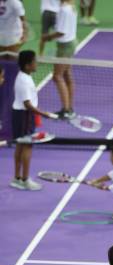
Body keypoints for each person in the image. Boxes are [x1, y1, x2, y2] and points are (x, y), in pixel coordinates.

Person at [10, 50, 55, 191]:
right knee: (27, 146)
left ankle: (17, 178)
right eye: (35, 61)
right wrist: (44, 113)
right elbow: (28, 105)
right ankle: (25, 180)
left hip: (21, 115)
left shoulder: (24, 76)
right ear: (28, 65)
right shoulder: (23, 81)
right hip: (24, 116)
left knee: (19, 145)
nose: (37, 63)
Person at [41, 0, 77, 120]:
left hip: (65, 47)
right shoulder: (71, 7)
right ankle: (69, 108)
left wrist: (48, 37)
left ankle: (66, 110)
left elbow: (61, 32)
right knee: (66, 75)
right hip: (70, 43)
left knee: (57, 76)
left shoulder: (64, 9)